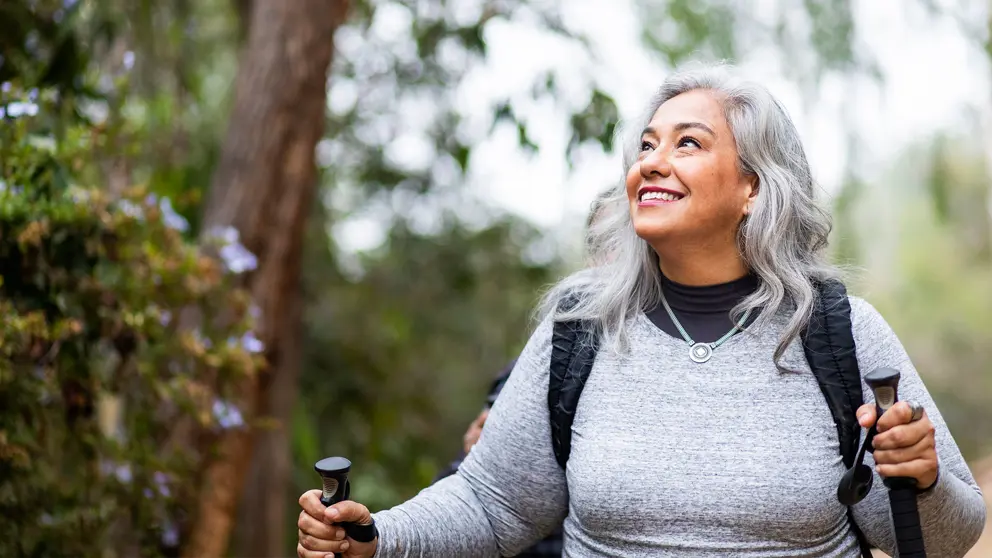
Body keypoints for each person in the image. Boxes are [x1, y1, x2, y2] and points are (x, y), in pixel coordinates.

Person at [297, 63, 987, 557]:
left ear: (752, 185)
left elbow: (947, 538)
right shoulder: (581, 327)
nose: (651, 162)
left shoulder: (838, 330)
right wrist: (377, 537)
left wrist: (918, 476)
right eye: (646, 145)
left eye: (687, 143)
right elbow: (493, 504)